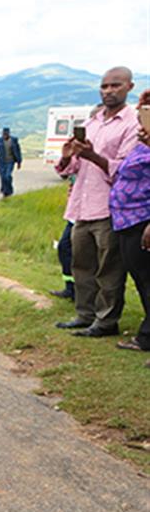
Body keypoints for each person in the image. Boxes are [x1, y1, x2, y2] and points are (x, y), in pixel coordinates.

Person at [54, 67, 139, 338]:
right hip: (81, 206)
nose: (109, 91)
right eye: (104, 86)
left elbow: (126, 170)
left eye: (115, 85)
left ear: (129, 87)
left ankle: (106, 321)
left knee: (109, 269)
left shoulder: (134, 123)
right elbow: (69, 169)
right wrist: (68, 157)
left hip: (110, 208)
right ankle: (85, 314)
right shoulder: (92, 122)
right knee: (82, 265)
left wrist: (91, 155)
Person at [108, 88, 150, 354]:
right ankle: (147, 336)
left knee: (148, 281)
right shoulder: (143, 143)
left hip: (143, 221)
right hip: (127, 222)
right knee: (143, 281)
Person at [0, 127, 22, 197]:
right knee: (3, 177)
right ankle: (6, 192)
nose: (4, 135)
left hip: (10, 161)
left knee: (8, 176)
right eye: (3, 134)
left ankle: (9, 190)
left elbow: (18, 151)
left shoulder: (14, 140)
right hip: (2, 162)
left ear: (9, 134)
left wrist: (19, 162)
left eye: (6, 134)